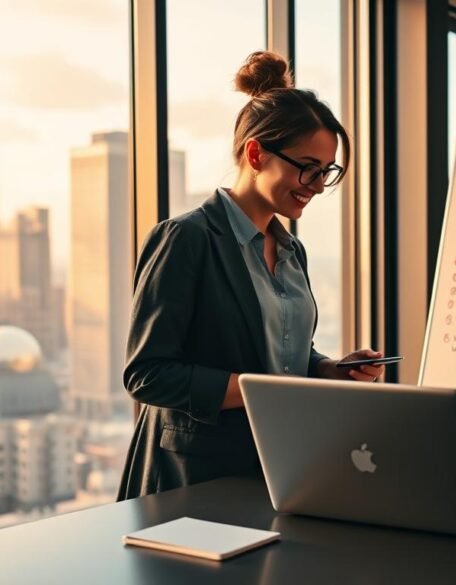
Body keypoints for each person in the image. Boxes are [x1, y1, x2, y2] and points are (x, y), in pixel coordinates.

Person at [117, 51, 386, 500]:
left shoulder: (290, 249)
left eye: (326, 172)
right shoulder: (186, 239)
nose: (318, 185)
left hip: (276, 463)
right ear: (256, 153)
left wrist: (326, 369)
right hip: (195, 479)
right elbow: (147, 373)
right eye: (308, 167)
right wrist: (261, 390)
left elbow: (276, 349)